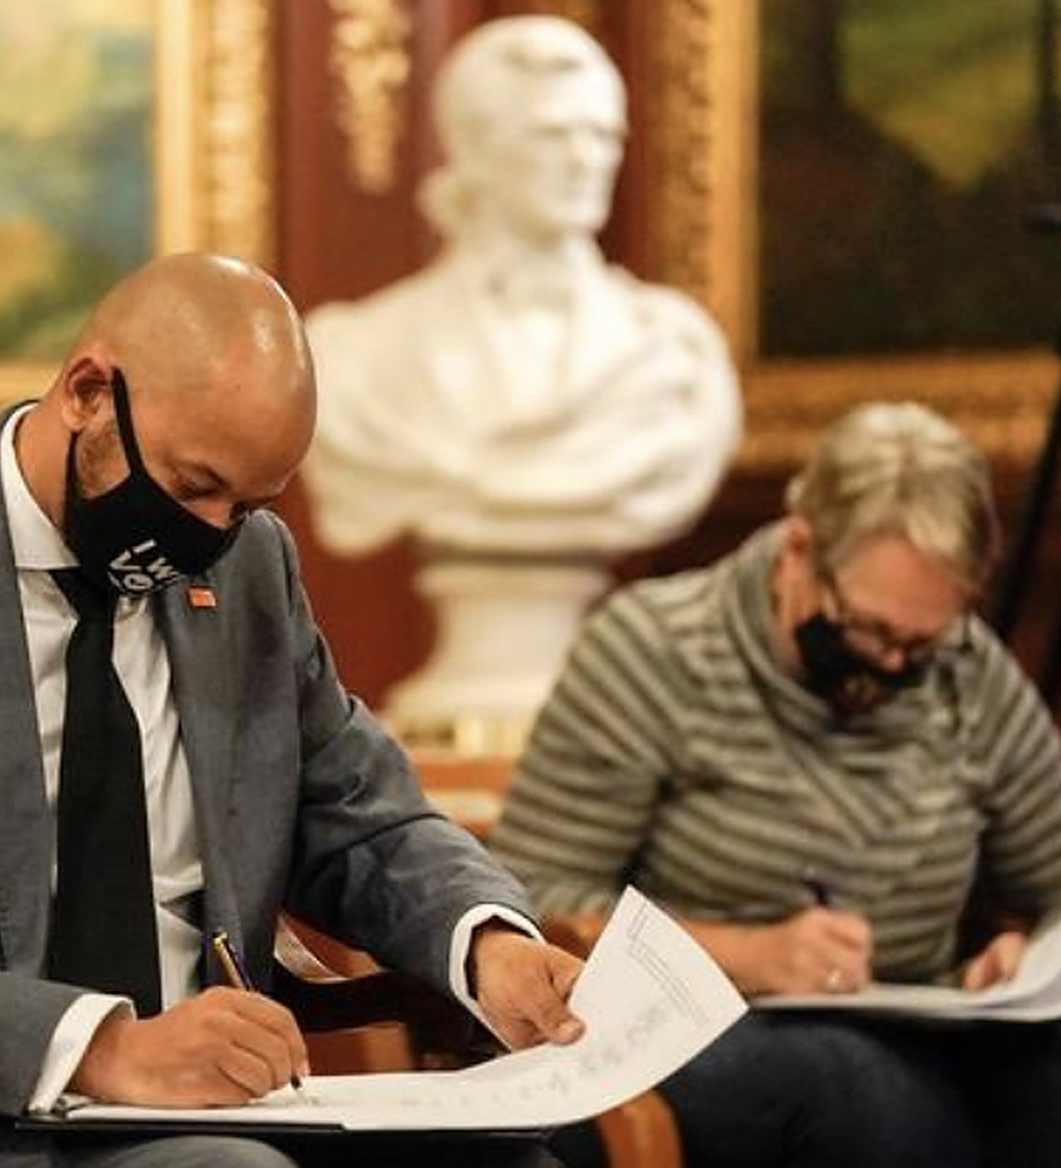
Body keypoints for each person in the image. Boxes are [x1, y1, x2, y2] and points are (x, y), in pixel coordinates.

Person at [0, 253, 586, 1168]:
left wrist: (487, 943)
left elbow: (360, 817)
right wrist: (103, 1048)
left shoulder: (250, 570)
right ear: (87, 394)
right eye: (192, 488)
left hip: (220, 1115)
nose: (211, 537)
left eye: (248, 505)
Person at [488, 401, 1061, 1168]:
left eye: (919, 643)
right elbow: (535, 900)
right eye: (870, 629)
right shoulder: (653, 650)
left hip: (907, 1030)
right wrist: (748, 953)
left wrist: (1031, 958)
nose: (890, 665)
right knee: (854, 1089)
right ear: (800, 549)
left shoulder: (969, 675)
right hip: (680, 1035)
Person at [301, 15, 742, 741]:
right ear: (474, 150)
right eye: (551, 135)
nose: (585, 160)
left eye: (603, 135)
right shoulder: (358, 357)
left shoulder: (676, 358)